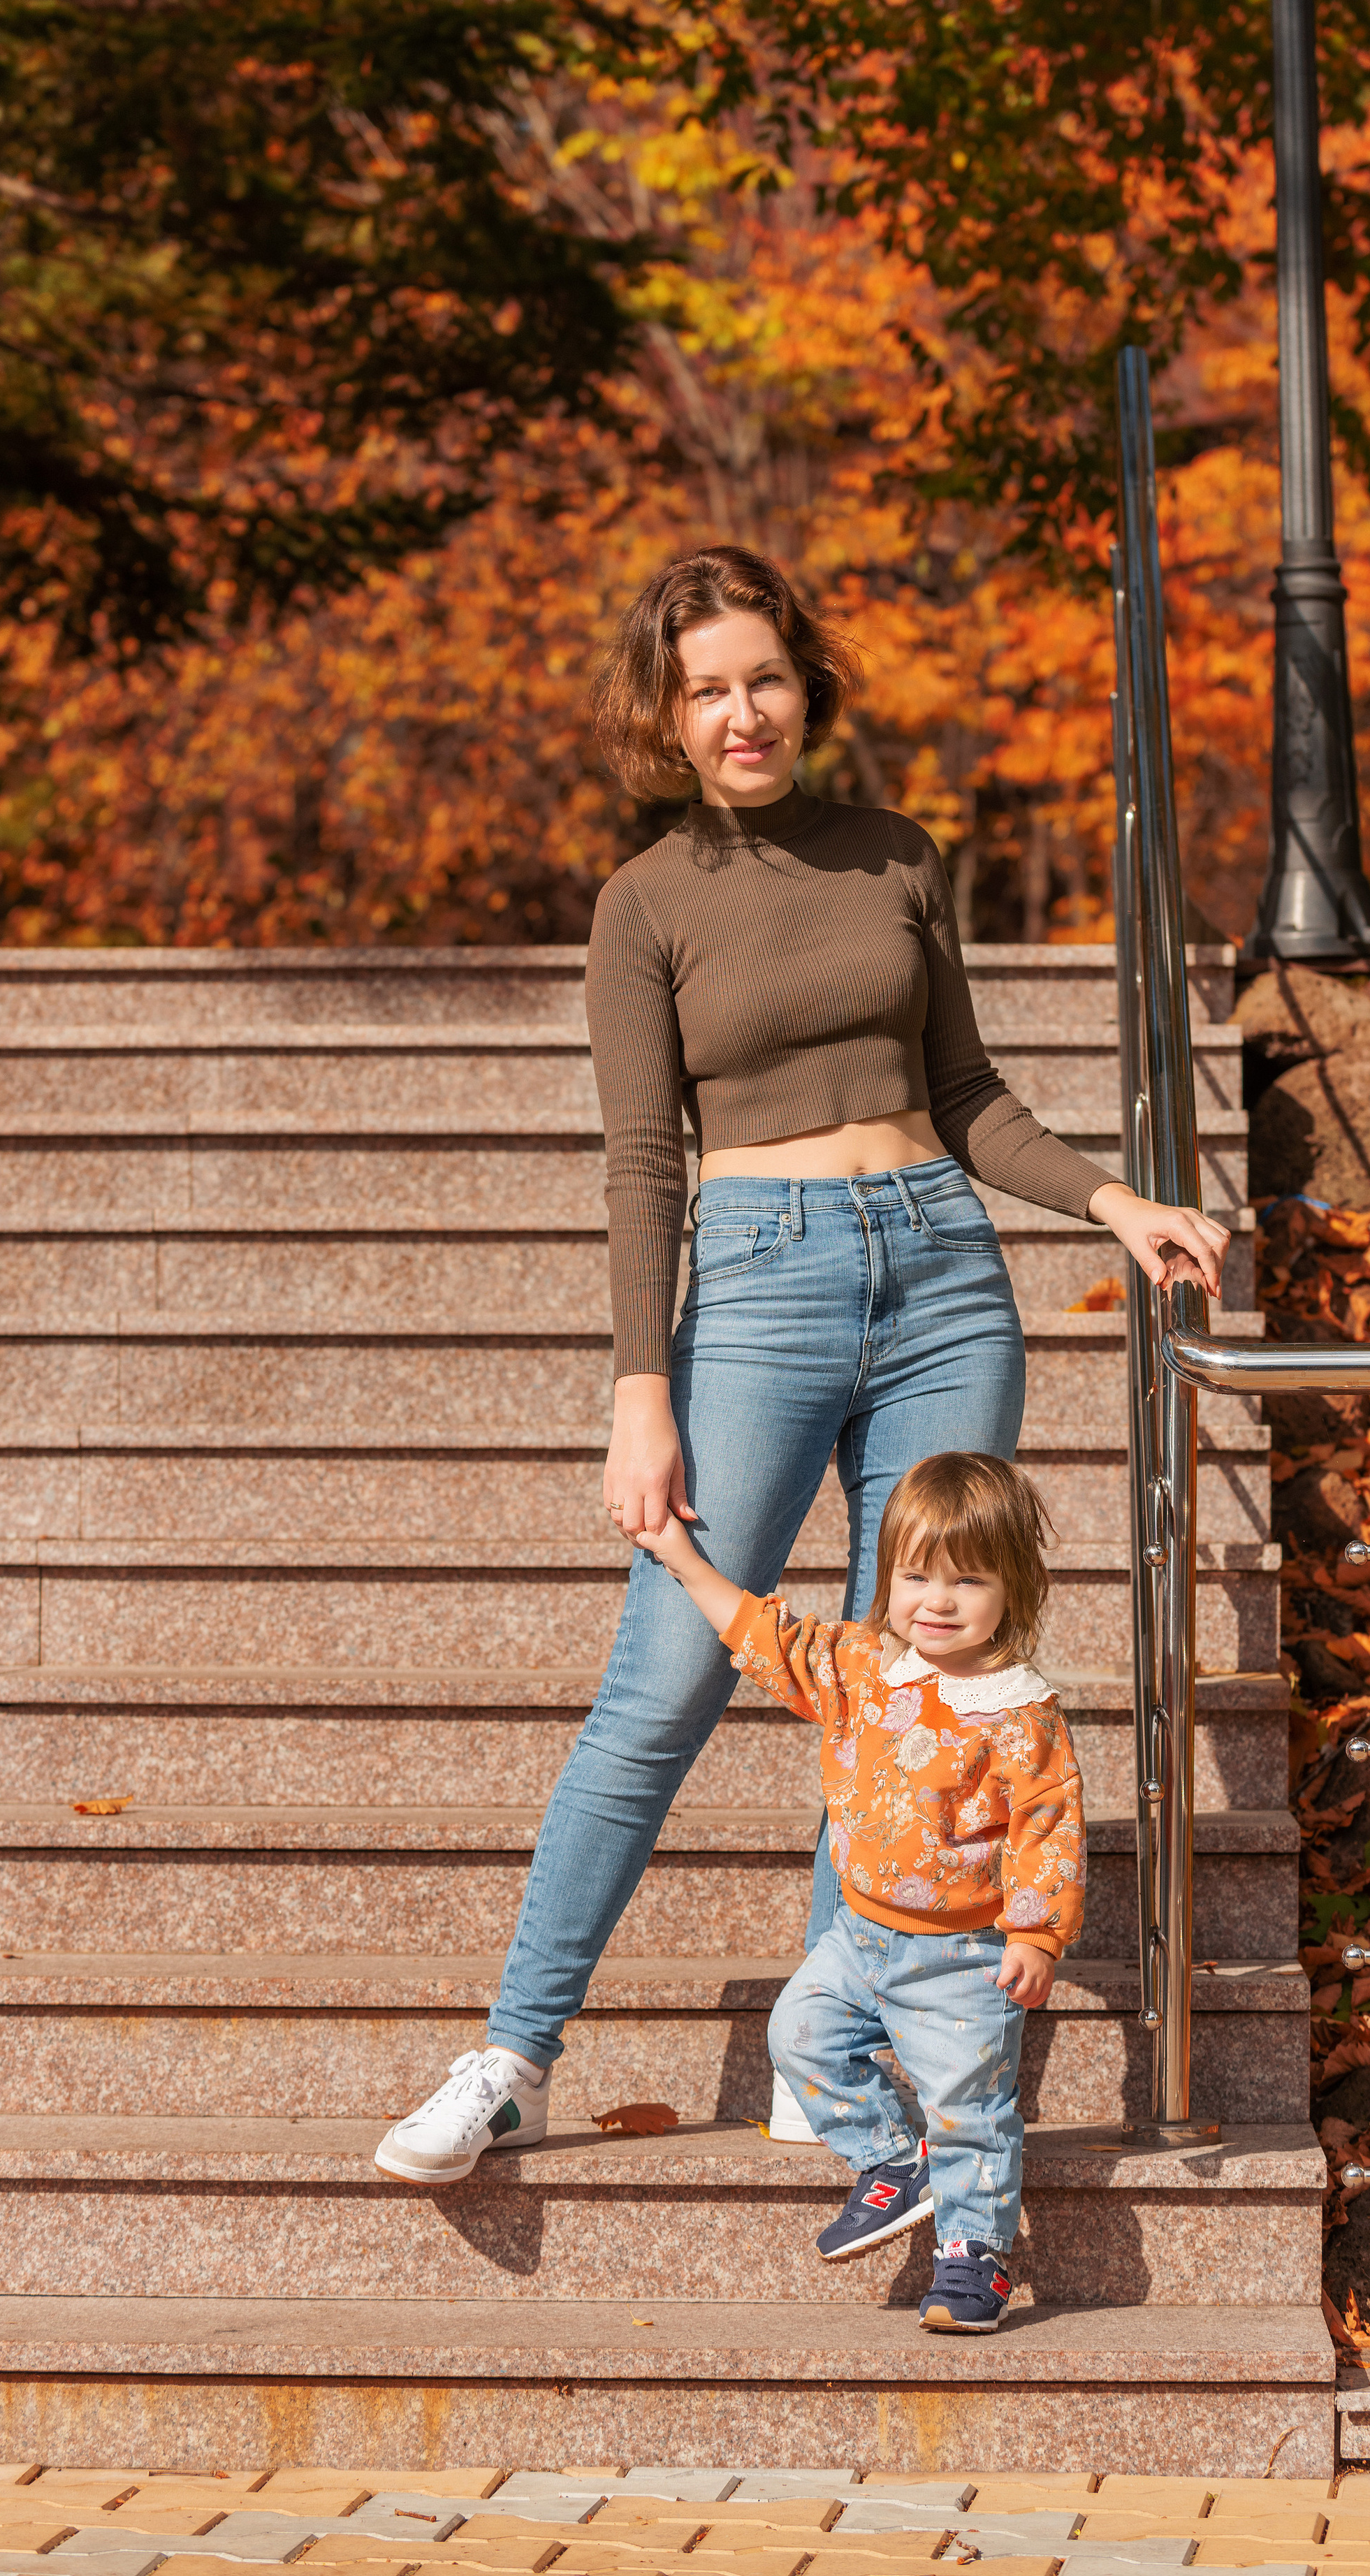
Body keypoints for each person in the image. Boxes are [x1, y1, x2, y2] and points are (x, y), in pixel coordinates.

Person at [374, 544, 1227, 2190]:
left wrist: (1114, 1199)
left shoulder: (894, 856)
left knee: (907, 1685)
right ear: (669, 717)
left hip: (939, 1273)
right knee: (663, 1685)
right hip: (752, 1287)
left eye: (761, 675)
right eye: (705, 688)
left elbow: (967, 1089)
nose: (740, 710)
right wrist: (641, 1386)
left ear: (802, 683)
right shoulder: (646, 900)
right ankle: (512, 2050)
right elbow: (640, 1156)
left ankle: (834, 2056)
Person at [632, 1449, 1082, 2334]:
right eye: (915, 1575)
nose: (936, 1601)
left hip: (962, 1955)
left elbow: (1047, 1832)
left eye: (967, 1580)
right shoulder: (863, 1666)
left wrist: (1036, 1936)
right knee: (797, 2034)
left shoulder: (1021, 1712)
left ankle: (974, 2259)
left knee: (969, 2109)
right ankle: (890, 2161)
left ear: (1013, 1589)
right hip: (857, 1936)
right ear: (888, 1577)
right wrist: (683, 1560)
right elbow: (767, 1641)